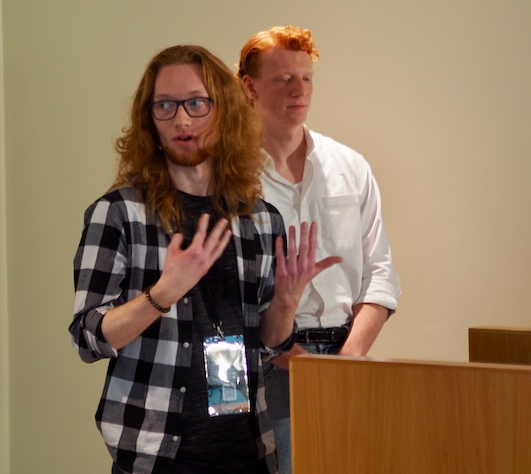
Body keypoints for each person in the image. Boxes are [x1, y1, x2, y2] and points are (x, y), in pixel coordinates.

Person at [69, 45, 341, 474]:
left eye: (196, 103)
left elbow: (270, 343)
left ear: (226, 110)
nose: (181, 119)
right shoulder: (120, 213)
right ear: (149, 119)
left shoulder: (258, 219)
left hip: (249, 452)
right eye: (165, 106)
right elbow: (88, 337)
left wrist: (287, 301)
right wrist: (163, 293)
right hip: (156, 455)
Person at [237, 26, 401, 472]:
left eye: (306, 78)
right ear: (249, 87)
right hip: (265, 365)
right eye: (283, 79)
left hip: (348, 358)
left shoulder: (350, 167)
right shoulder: (229, 177)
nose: (299, 90)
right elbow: (223, 297)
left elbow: (381, 274)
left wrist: (349, 360)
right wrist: (293, 358)